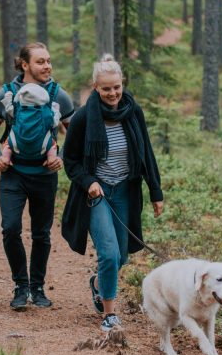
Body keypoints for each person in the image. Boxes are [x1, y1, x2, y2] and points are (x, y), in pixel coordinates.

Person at [61, 55, 164, 332]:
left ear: (122, 84)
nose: (112, 93)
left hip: (125, 191)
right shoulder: (83, 117)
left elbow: (146, 153)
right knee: (108, 253)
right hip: (97, 194)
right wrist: (89, 181)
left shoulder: (132, 111)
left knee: (121, 256)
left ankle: (98, 283)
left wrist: (156, 191)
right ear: (95, 86)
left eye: (116, 87)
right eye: (106, 88)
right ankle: (109, 315)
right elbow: (69, 160)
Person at [0, 42, 74, 311]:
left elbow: (75, 134)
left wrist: (61, 157)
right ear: (25, 65)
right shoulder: (7, 94)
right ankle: (20, 286)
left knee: (41, 234)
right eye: (40, 62)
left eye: (49, 61)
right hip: (13, 174)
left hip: (45, 175)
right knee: (10, 229)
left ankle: (37, 287)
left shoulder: (60, 96)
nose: (47, 66)